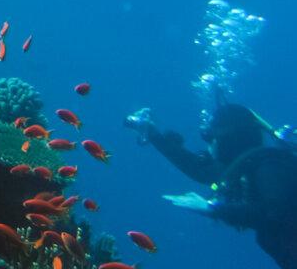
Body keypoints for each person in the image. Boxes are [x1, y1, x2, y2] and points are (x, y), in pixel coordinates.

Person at [126, 104, 297, 268]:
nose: (208, 146)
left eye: (210, 138)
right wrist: (154, 136)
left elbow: (275, 211)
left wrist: (213, 209)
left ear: (228, 141)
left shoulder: (270, 166)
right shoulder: (249, 166)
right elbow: (200, 170)